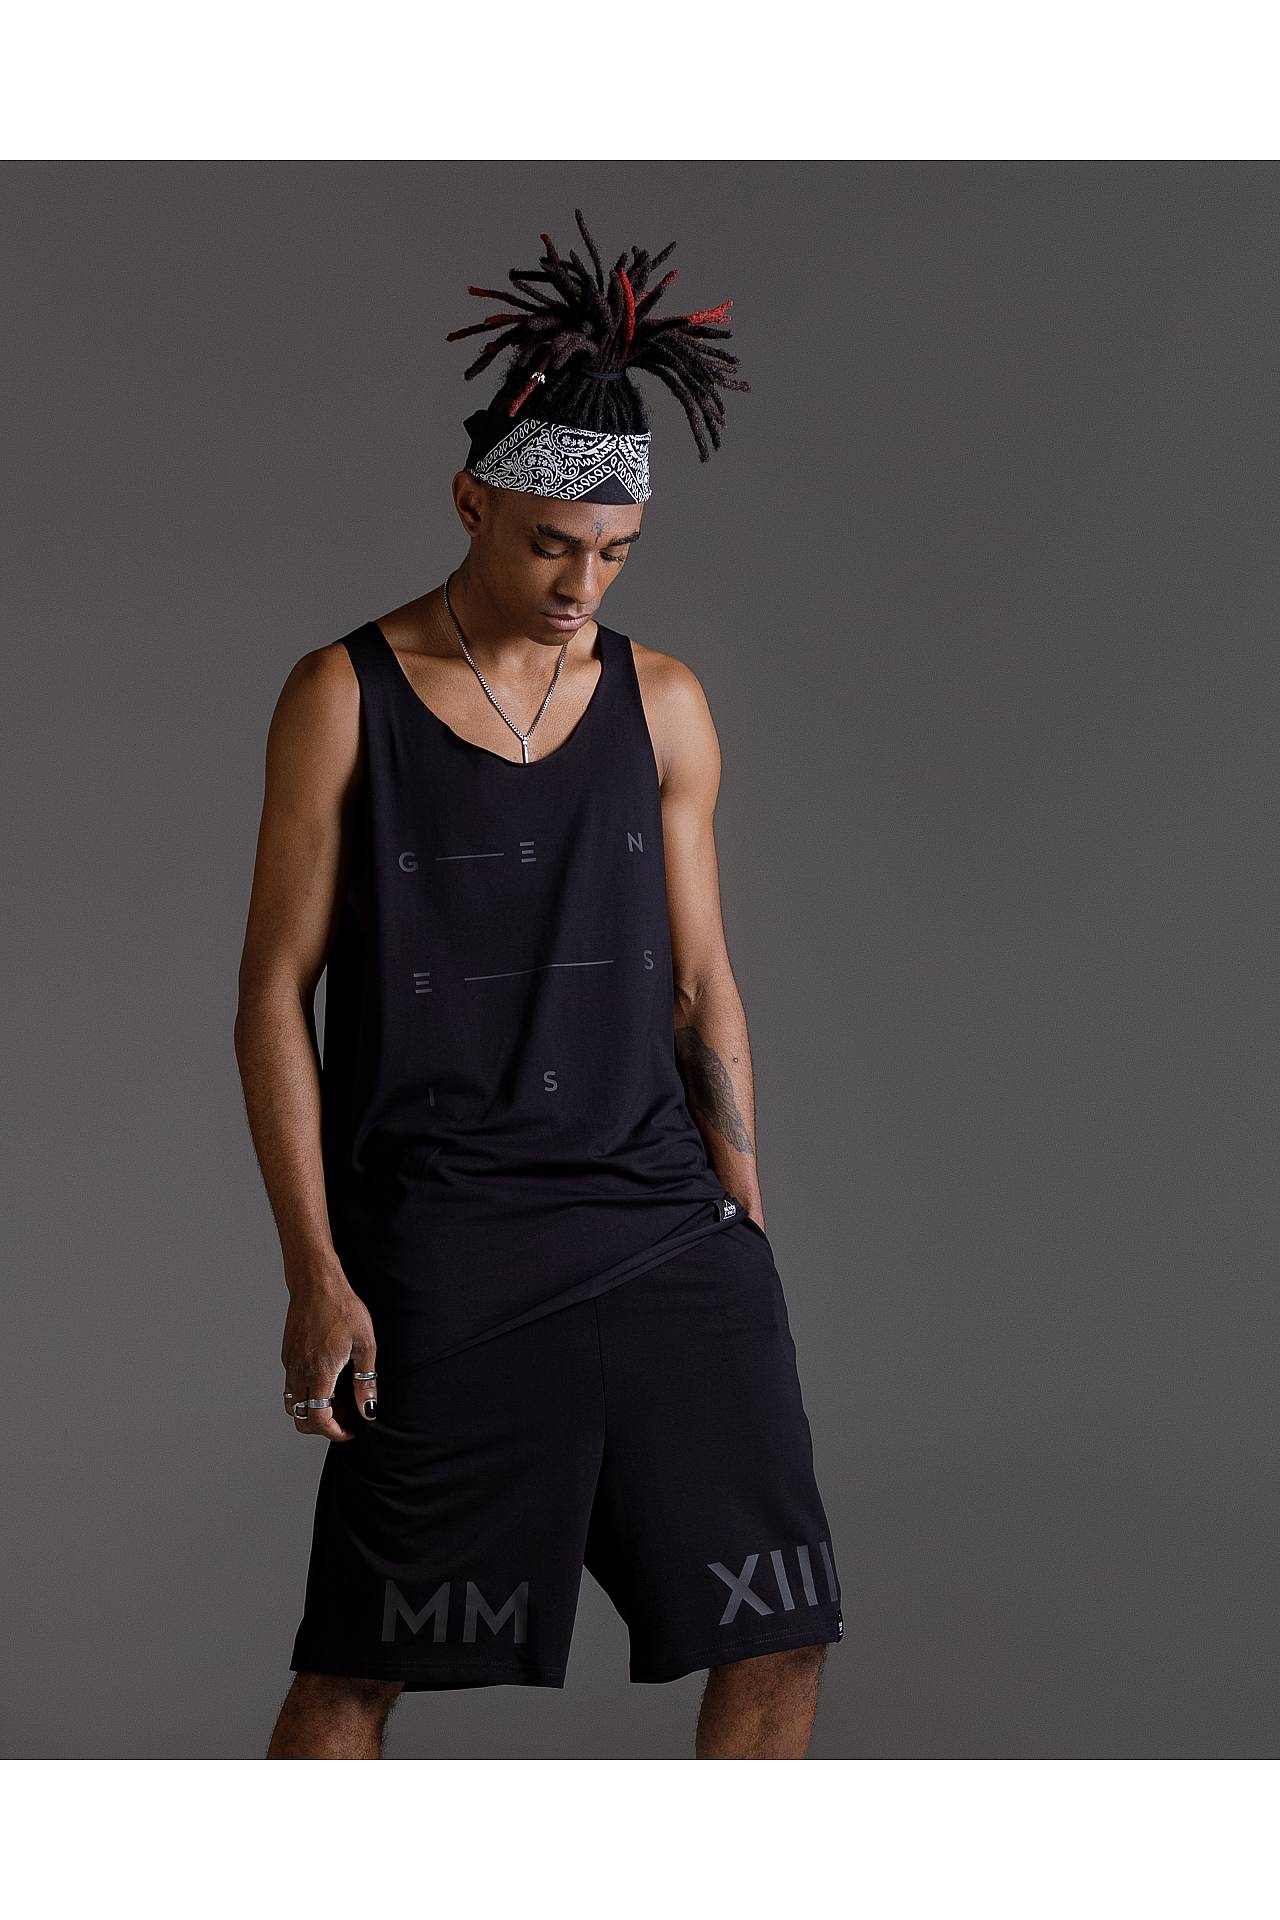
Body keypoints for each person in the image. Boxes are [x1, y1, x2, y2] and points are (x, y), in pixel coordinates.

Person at [233, 210, 842, 1759]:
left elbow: (701, 983)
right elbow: (273, 997)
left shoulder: (664, 703)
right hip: (447, 1245)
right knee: (357, 1669)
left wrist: (743, 1221)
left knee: (780, 1634)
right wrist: (315, 1271)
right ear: (472, 502)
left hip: (661, 1231)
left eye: (614, 553)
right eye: (552, 545)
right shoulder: (344, 696)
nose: (582, 584)